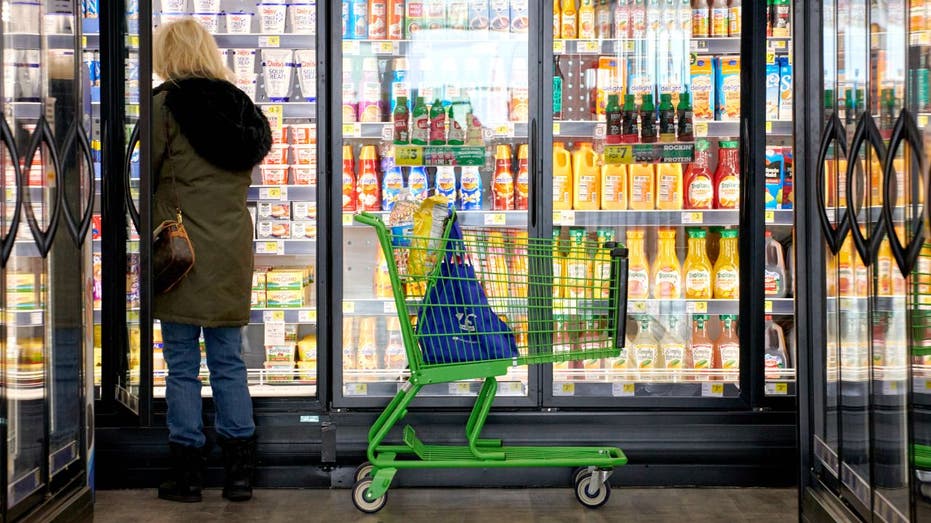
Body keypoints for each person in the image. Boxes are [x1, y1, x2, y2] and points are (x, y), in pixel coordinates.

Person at [151, 19, 271, 503]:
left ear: (169, 55)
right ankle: (240, 474)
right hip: (230, 248)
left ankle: (188, 474)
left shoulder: (164, 106)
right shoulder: (241, 107)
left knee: (181, 365)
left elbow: (140, 174)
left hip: (179, 253)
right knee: (228, 361)